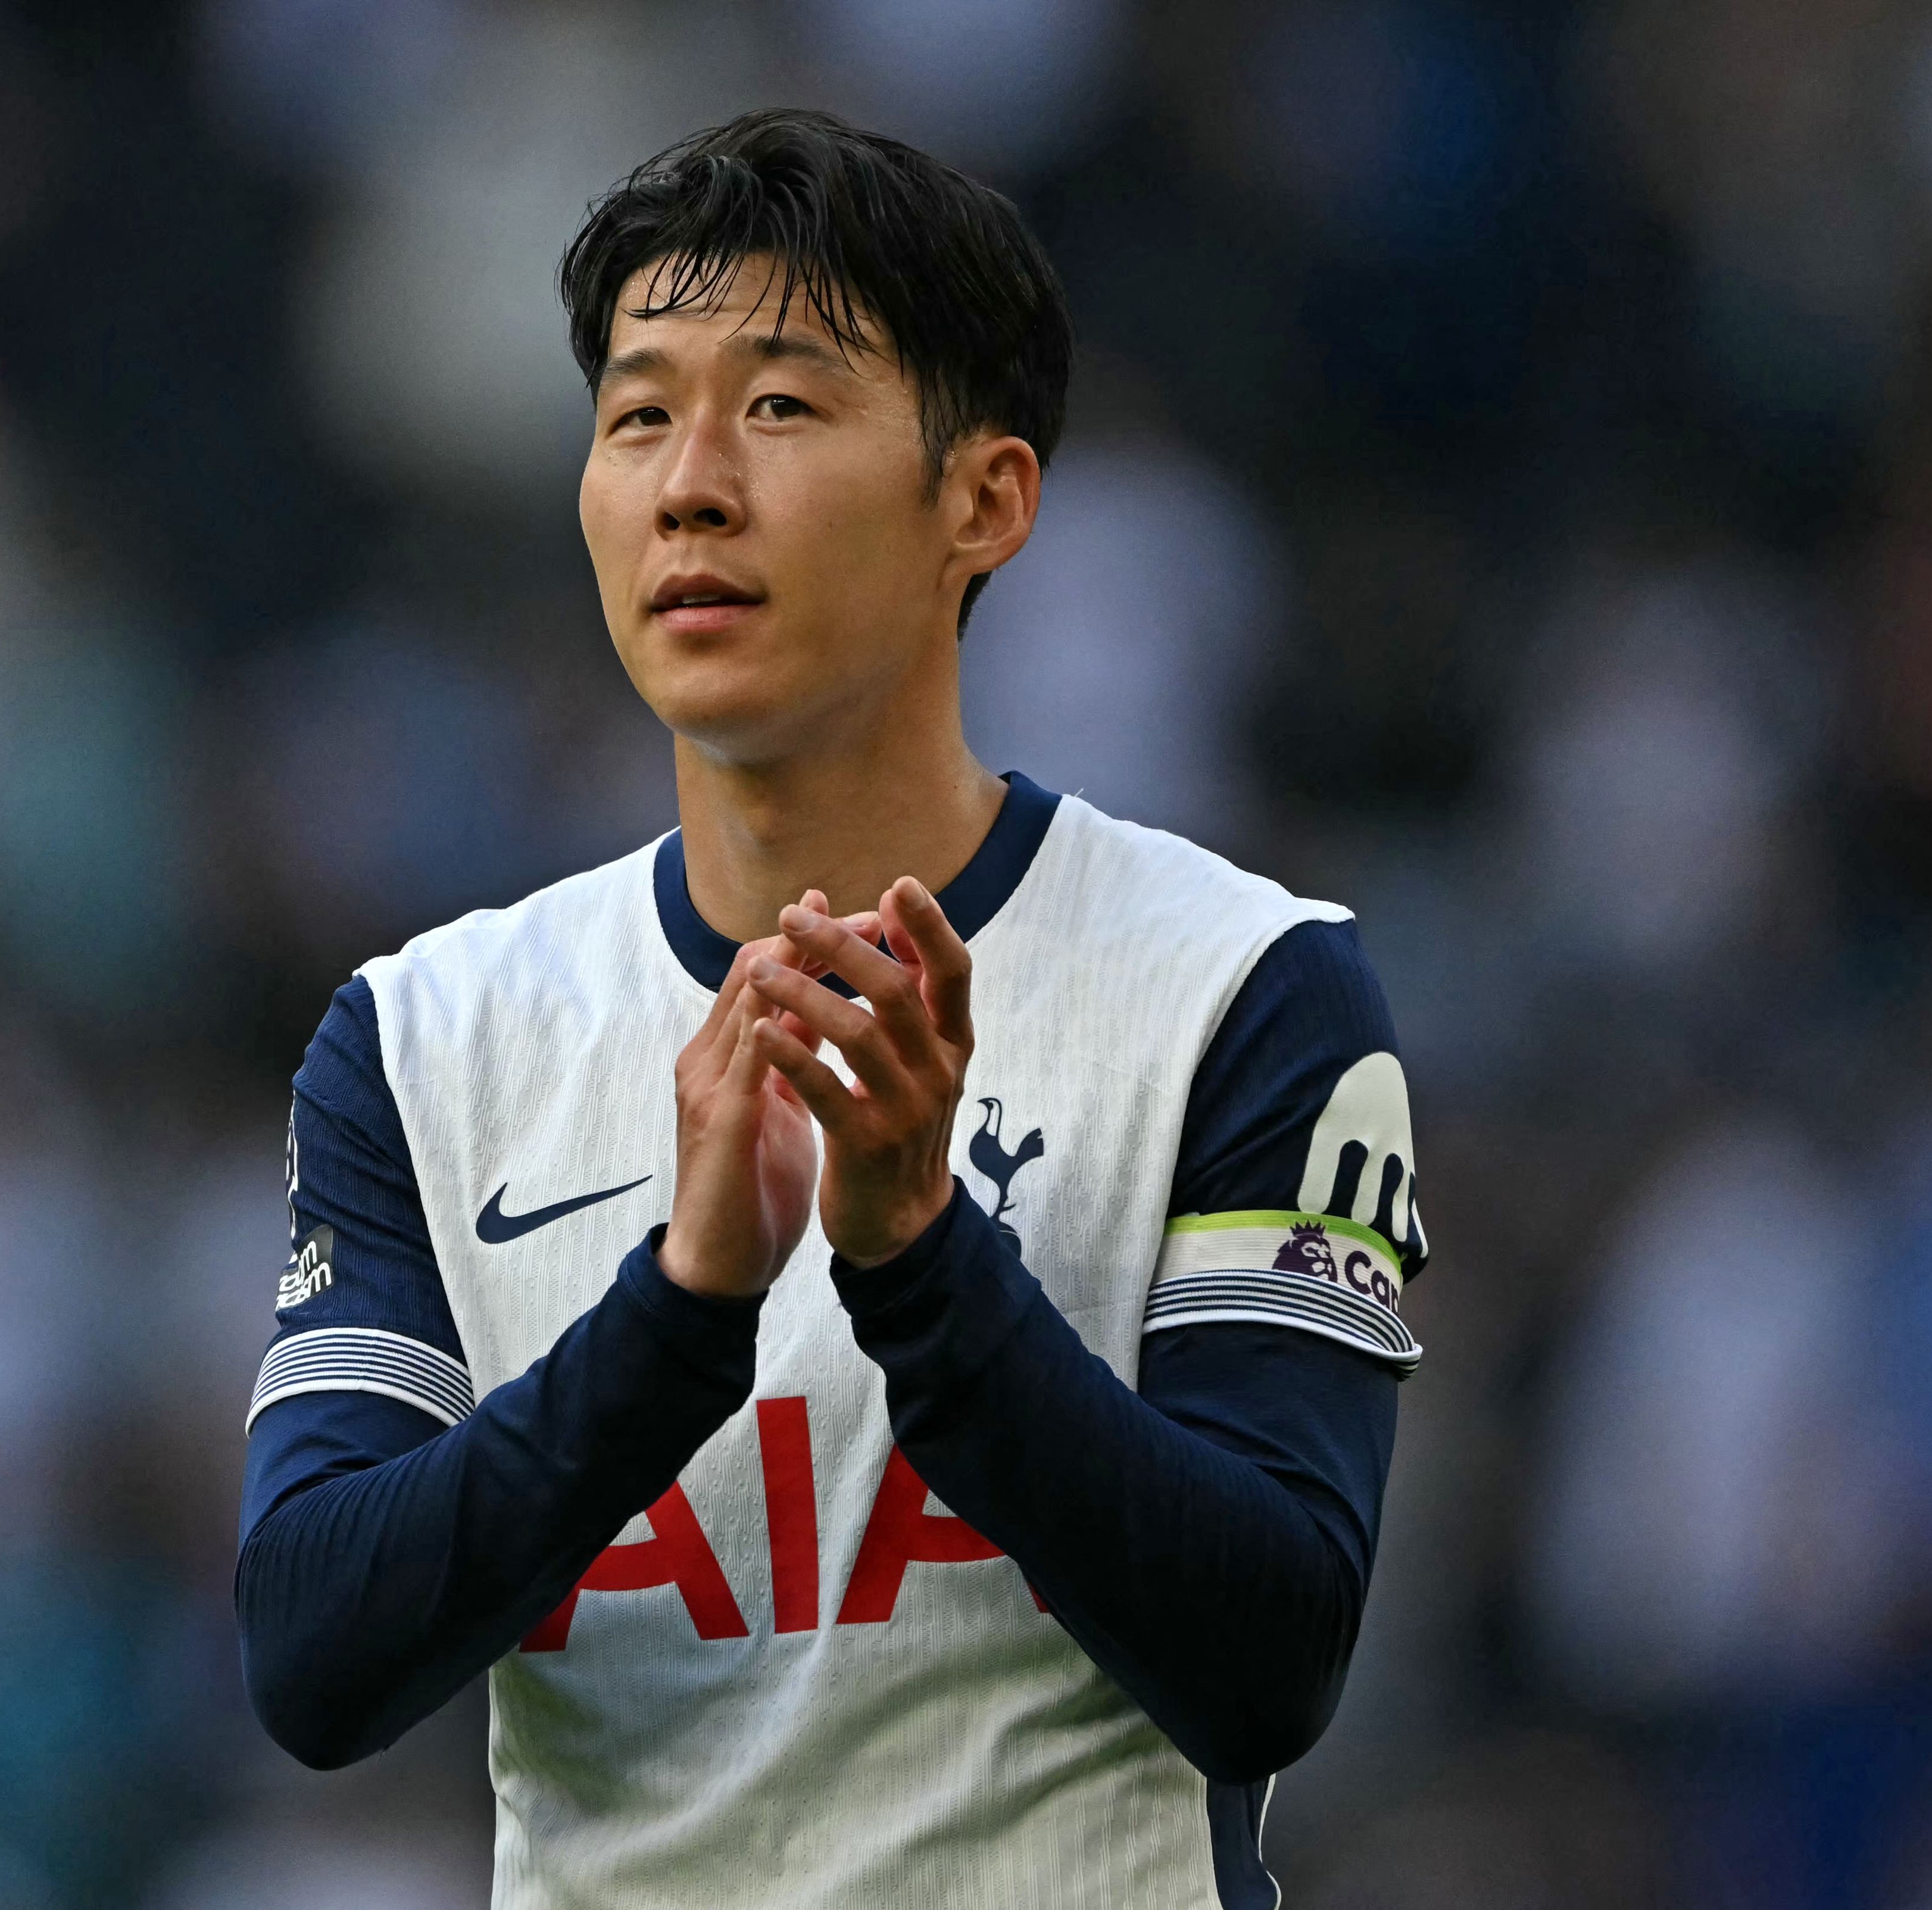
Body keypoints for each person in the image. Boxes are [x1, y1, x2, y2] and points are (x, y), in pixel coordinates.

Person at [234, 107, 1430, 1908]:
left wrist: (918, 1259)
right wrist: (685, 1314)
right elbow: (313, 1661)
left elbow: (1271, 1662)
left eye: (779, 406)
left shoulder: (1239, 990)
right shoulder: (424, 1041)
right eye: (638, 414)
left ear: (985, 500)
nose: (690, 482)